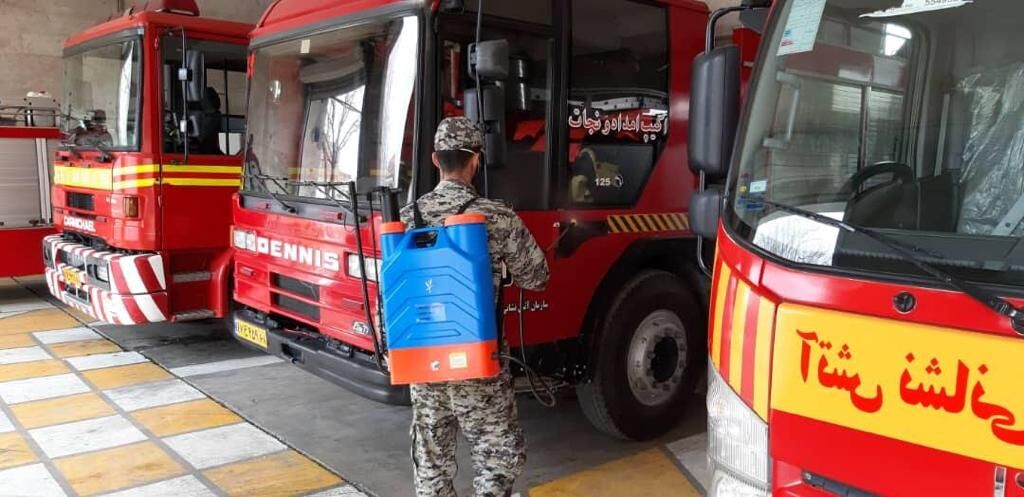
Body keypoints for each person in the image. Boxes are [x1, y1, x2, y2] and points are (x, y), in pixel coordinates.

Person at [402, 117, 550, 497]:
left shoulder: (406, 218)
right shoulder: (496, 217)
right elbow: (536, 276)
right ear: (476, 161)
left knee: (432, 460)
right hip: (477, 358)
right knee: (497, 454)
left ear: (436, 160)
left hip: (422, 360)